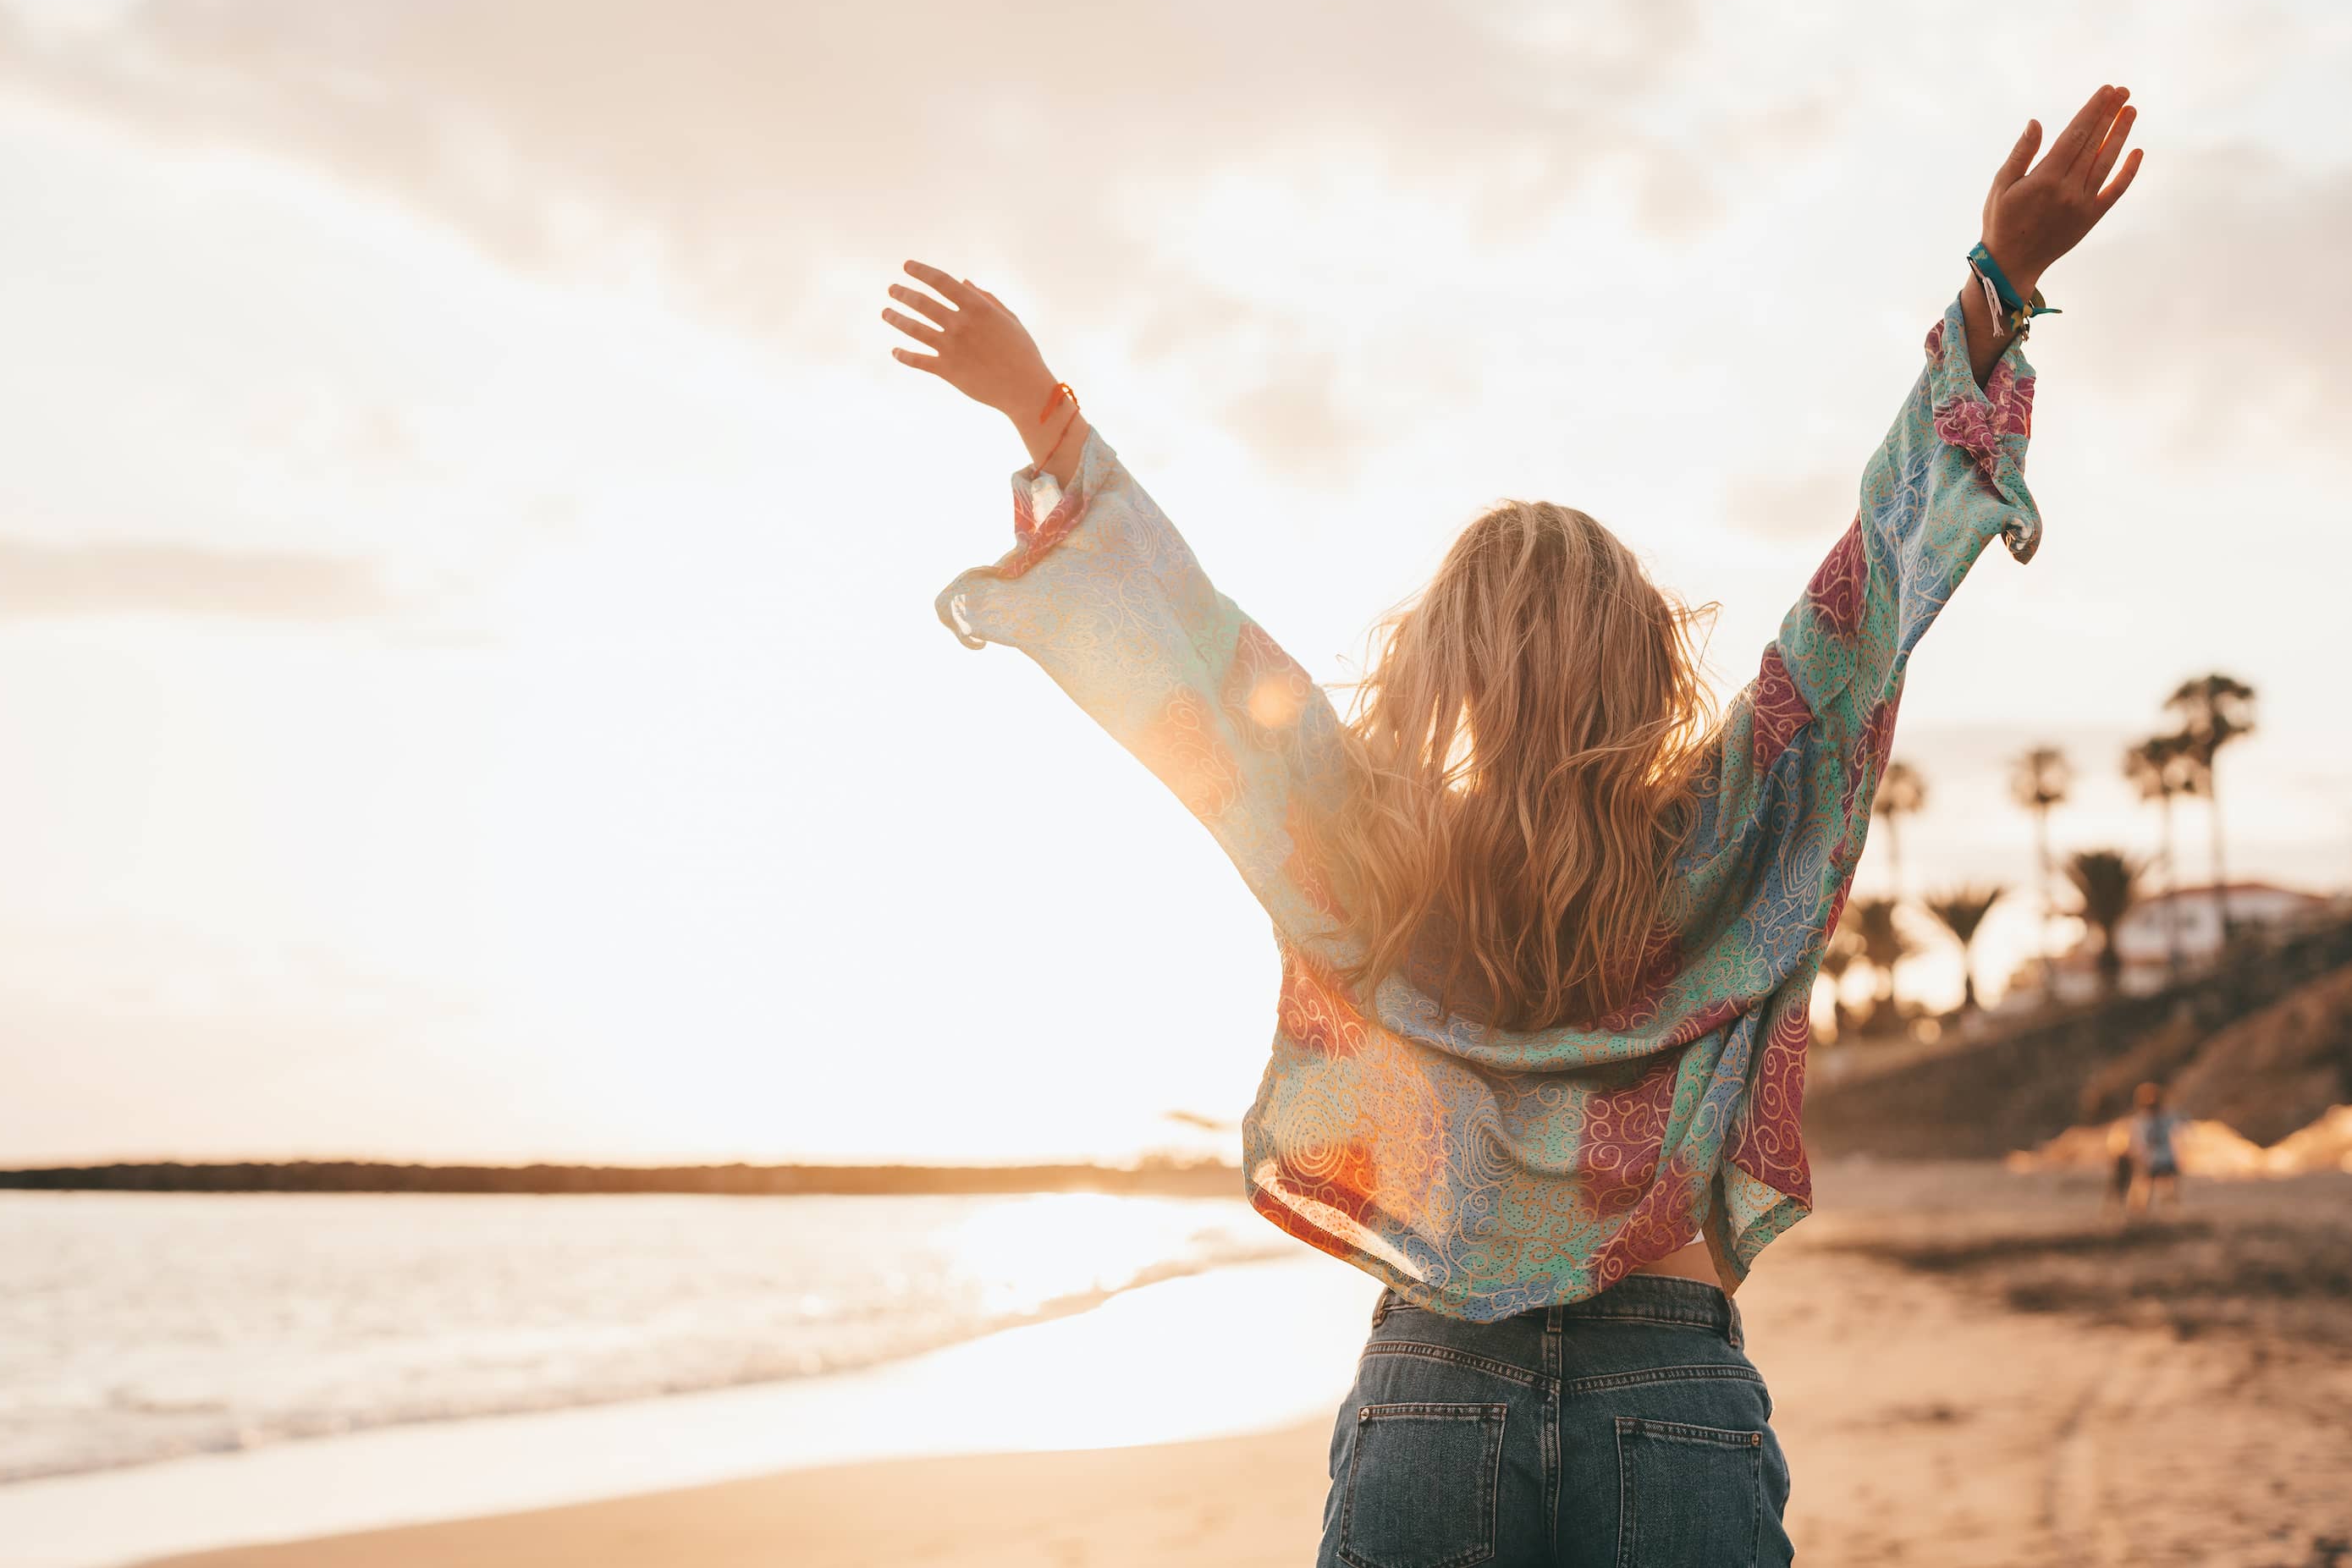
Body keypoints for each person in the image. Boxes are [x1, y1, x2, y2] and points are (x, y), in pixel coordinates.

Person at [884, 82, 2141, 1568]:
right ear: (1644, 655)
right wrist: (1996, 291)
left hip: (1433, 1393)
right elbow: (1862, 599)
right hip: (1670, 1384)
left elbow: (1203, 666)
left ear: (1437, 664)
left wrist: (1048, 417)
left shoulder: (1367, 843)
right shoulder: (1732, 818)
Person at [2129, 1080, 2184, 1213]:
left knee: (2166, 1189)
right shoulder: (2144, 1120)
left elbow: (2178, 1135)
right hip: (2154, 1159)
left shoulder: (2163, 1118)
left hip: (2161, 1158)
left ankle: (2164, 1212)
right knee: (2148, 1188)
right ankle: (2144, 1212)